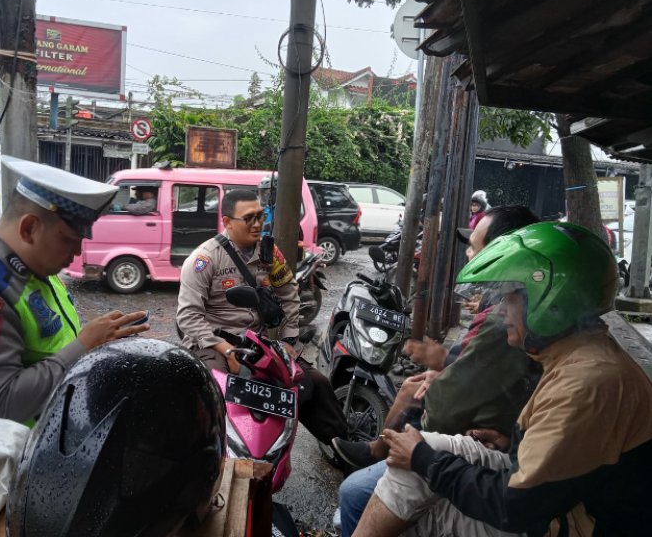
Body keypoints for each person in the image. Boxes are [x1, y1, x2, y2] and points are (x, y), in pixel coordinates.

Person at [353, 221, 652, 537]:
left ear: (550, 301)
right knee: (413, 467)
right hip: (556, 500)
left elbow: (515, 506)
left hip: (565, 522)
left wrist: (423, 459)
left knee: (412, 513)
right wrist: (514, 444)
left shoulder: (586, 383)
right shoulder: (578, 356)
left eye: (511, 298)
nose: (503, 310)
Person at [334, 205, 541, 536]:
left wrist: (421, 451)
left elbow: (447, 409)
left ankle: (380, 450)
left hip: (470, 441)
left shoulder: (506, 323)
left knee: (354, 493)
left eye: (476, 247)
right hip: (493, 445)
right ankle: (379, 449)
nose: (469, 256)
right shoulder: (503, 311)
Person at [0, 156, 151, 425]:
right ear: (29, 228)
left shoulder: (35, 271)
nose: (76, 252)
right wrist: (84, 345)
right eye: (68, 239)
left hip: (39, 443)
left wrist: (97, 343)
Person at [177, 188, 348, 446]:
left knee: (313, 383)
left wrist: (289, 340)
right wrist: (225, 350)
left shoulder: (269, 254)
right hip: (213, 344)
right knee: (216, 389)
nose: (257, 223)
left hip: (254, 344)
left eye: (261, 215)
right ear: (227, 222)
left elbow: (290, 294)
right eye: (249, 218)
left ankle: (343, 445)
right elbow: (188, 317)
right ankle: (210, 452)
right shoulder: (204, 259)